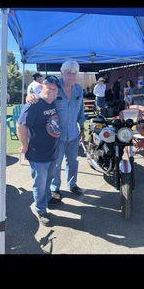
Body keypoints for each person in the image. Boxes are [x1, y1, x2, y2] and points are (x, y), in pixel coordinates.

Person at [26, 60, 86, 201]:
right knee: (56, 164)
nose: (71, 76)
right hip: (56, 135)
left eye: (74, 73)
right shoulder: (54, 86)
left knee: (72, 161)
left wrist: (82, 128)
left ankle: (72, 184)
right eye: (68, 72)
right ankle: (55, 188)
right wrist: (30, 96)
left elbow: (81, 110)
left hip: (74, 134)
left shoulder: (78, 89)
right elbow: (42, 95)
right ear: (62, 72)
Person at [17, 77, 61, 226]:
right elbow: (20, 125)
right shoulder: (33, 104)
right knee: (40, 184)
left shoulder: (53, 102)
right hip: (38, 154)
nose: (51, 91)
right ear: (42, 87)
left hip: (52, 151)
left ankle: (47, 198)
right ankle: (41, 210)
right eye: (48, 87)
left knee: (48, 180)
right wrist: (24, 145)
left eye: (54, 89)